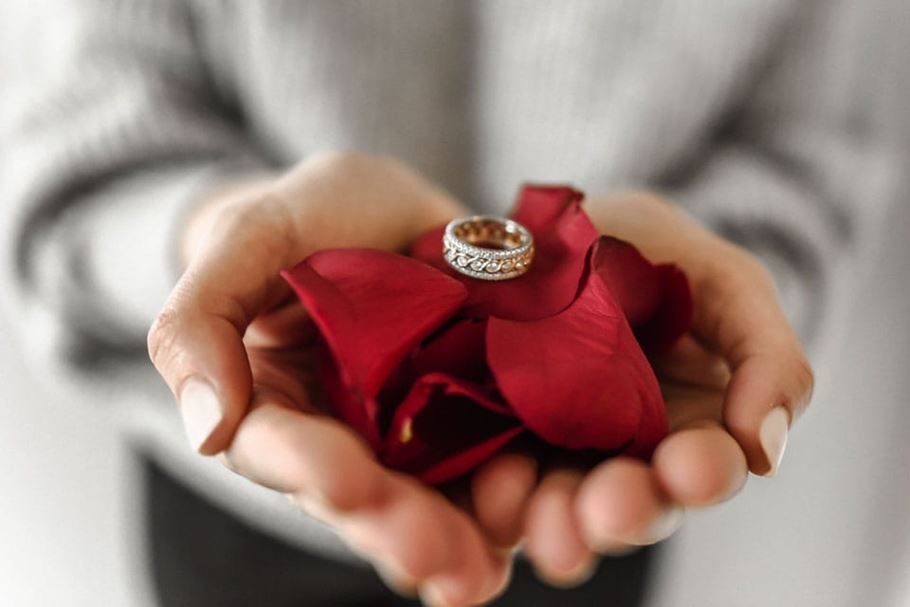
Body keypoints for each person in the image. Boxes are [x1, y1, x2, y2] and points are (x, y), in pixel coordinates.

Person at [0, 2, 896, 606]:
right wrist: (218, 239)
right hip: (243, 488)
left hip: (605, 458)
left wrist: (708, 289)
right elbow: (87, 120)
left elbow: (802, 145)